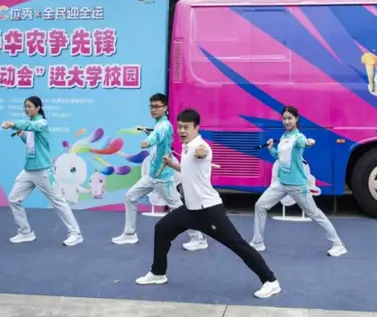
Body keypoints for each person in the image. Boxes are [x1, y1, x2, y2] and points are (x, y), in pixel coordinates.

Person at [135, 108, 281, 299]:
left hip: (209, 211)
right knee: (162, 228)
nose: (182, 131)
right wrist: (173, 165)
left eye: (186, 127)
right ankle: (158, 273)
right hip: (190, 210)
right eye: (180, 127)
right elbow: (189, 171)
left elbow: (202, 153)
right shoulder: (186, 146)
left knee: (238, 245)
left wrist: (201, 153)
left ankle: (271, 281)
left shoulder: (200, 146)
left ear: (196, 128)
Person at [111, 93, 207, 251]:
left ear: (165, 108)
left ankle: (199, 238)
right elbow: (156, 135)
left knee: (178, 209)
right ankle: (129, 234)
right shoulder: (159, 124)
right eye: (151, 106)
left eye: (157, 106)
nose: (153, 109)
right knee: (130, 197)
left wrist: (147, 141)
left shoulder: (164, 125)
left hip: (163, 178)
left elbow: (156, 136)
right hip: (152, 175)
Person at [250, 105, 346, 257]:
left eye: (290, 118)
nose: (287, 122)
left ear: (296, 119)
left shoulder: (299, 137)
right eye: (284, 119)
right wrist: (271, 148)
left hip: (297, 186)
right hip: (280, 183)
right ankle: (257, 242)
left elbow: (304, 143)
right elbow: (280, 157)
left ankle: (338, 244)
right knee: (260, 206)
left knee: (315, 214)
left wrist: (309, 143)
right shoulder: (284, 137)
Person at [2, 96, 83, 247]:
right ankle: (25, 232)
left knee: (58, 201)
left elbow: (32, 126)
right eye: (25, 106)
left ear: (38, 108)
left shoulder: (41, 123)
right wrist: (22, 136)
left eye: (30, 106)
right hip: (28, 170)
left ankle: (75, 234)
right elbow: (31, 144)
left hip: (44, 170)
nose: (26, 109)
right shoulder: (30, 125)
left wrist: (13, 124)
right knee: (13, 199)